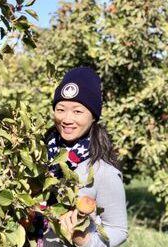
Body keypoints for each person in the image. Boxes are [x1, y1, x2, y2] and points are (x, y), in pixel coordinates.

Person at [41, 67, 128, 247]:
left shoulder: (101, 171)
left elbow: (118, 230)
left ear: (93, 117)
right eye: (61, 109)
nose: (67, 118)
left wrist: (84, 240)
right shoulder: (39, 155)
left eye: (77, 111)